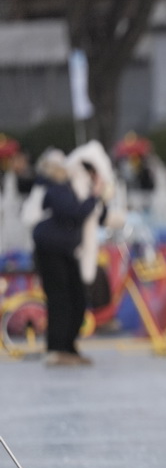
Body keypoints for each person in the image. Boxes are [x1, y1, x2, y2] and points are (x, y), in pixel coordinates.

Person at [30, 146, 114, 366]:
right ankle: (56, 348)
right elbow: (72, 212)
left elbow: (99, 216)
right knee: (60, 300)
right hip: (50, 249)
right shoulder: (58, 188)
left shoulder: (84, 191)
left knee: (77, 299)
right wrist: (93, 197)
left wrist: (101, 199)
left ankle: (69, 346)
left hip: (67, 251)